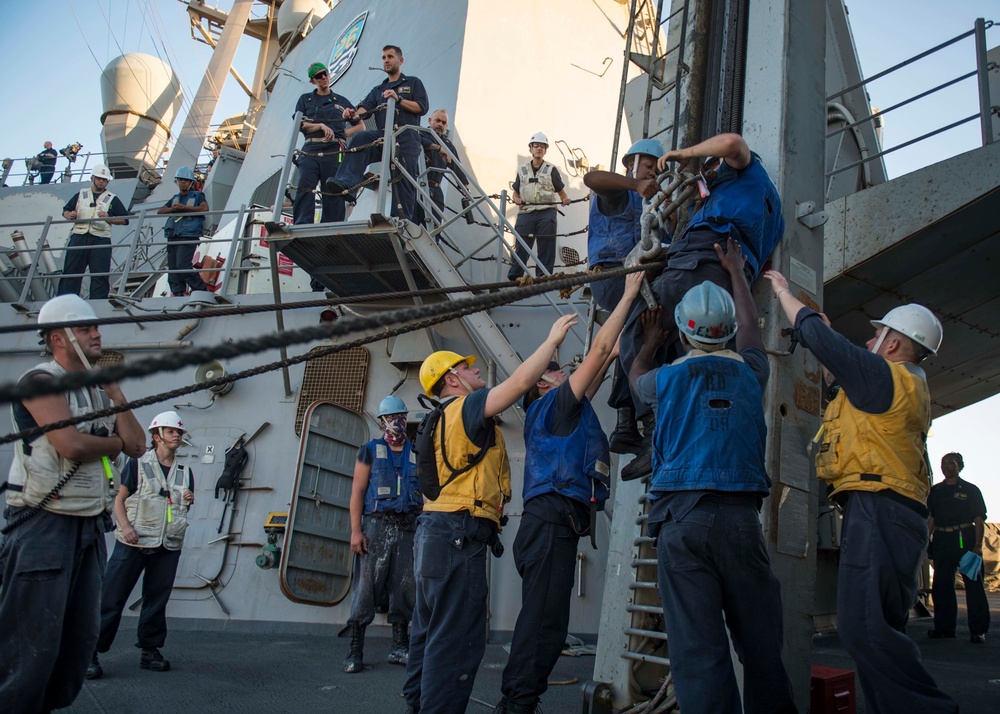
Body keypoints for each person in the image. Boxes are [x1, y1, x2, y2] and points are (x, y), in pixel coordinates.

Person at [764, 270, 957, 713]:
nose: (869, 344)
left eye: (876, 338)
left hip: (880, 512)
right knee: (879, 629)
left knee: (864, 629)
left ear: (892, 343)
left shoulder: (886, 378)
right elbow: (841, 369)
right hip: (893, 515)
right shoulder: (897, 385)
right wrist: (828, 341)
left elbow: (815, 335)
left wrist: (782, 293)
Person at [629, 240, 795, 714]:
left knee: (699, 657)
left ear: (682, 330)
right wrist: (737, 272)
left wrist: (651, 342)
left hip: (681, 523)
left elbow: (635, 373)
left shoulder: (665, 379)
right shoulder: (752, 371)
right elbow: (749, 329)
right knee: (763, 650)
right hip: (741, 523)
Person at [403, 314, 578, 714]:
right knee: (456, 643)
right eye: (466, 366)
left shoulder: (434, 421)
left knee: (427, 635)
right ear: (451, 379)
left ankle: (416, 706)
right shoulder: (465, 408)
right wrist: (551, 341)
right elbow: (518, 385)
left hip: (433, 534)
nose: (475, 368)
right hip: (457, 537)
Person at [496, 272, 644, 714]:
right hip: (549, 527)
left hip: (554, 527)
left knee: (549, 623)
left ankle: (522, 698)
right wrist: (631, 291)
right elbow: (595, 354)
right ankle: (517, 703)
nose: (568, 373)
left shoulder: (562, 409)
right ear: (543, 383)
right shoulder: (552, 406)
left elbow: (600, 363)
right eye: (559, 371)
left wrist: (620, 342)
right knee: (542, 623)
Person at [0, 294, 145, 714]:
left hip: (87, 526)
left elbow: (137, 446)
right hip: (43, 524)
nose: (96, 334)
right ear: (60, 338)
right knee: (31, 640)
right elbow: (72, 444)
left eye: (95, 327)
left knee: (78, 639)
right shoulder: (40, 381)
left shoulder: (97, 391)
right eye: (85, 328)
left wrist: (116, 393)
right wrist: (114, 443)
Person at [619, 132, 784, 480]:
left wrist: (684, 153)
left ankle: (651, 429)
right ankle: (667, 433)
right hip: (724, 274)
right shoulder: (771, 211)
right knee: (684, 357)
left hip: (698, 263)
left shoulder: (747, 174)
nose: (704, 178)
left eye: (709, 170)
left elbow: (733, 144)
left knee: (636, 330)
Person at [87, 411, 195, 679]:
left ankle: (150, 650)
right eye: (171, 431)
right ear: (156, 436)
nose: (177, 436)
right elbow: (119, 500)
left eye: (179, 432)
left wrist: (188, 500)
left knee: (157, 601)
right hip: (132, 542)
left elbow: (177, 509)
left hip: (167, 545)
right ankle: (88, 653)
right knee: (111, 598)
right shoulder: (137, 464)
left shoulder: (185, 472)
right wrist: (125, 528)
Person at [582, 139, 669, 456]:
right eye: (648, 166)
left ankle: (626, 425)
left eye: (658, 171)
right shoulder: (622, 193)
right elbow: (591, 179)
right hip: (615, 274)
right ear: (631, 163)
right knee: (646, 326)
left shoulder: (656, 204)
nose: (652, 176)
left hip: (636, 278)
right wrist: (636, 183)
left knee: (639, 331)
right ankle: (648, 423)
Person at [342, 395, 422, 674]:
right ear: (382, 422)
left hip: (409, 526)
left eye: (401, 415)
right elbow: (357, 492)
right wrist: (356, 531)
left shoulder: (417, 450)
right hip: (375, 525)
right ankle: (355, 650)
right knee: (366, 587)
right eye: (392, 417)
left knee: (406, 586)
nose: (398, 421)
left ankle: (400, 647)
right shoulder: (369, 450)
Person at [325, 45, 428, 221]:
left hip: (406, 138)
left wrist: (399, 99)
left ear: (400, 60)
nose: (386, 60)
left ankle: (402, 221)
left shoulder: (413, 83)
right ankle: (347, 184)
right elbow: (364, 109)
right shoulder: (378, 90)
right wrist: (352, 114)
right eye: (383, 57)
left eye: (390, 56)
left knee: (404, 182)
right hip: (383, 136)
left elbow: (422, 107)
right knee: (360, 138)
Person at [927, 452, 990, 643]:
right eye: (943, 463)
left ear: (959, 466)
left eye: (950, 463)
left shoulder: (971, 490)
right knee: (941, 585)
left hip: (965, 538)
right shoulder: (936, 491)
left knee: (974, 586)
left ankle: (978, 630)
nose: (945, 466)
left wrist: (977, 545)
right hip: (942, 540)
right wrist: (926, 540)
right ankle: (944, 628)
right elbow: (932, 518)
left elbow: (978, 519)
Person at [293, 62, 360, 225]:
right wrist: (320, 126)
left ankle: (331, 225)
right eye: (318, 76)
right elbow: (299, 123)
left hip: (334, 149)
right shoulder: (305, 100)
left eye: (325, 73)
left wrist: (341, 135)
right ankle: (302, 223)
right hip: (311, 147)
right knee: (305, 185)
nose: (323, 77)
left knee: (332, 189)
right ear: (312, 81)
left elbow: (360, 126)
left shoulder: (342, 101)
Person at [57, 164, 131, 300]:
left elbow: (125, 219)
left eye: (104, 179)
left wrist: (109, 218)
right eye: (99, 178)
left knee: (100, 275)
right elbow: (66, 210)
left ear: (108, 181)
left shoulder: (111, 198)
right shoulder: (81, 194)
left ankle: (98, 303)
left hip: (100, 239)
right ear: (92, 178)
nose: (101, 181)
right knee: (71, 272)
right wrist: (70, 215)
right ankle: (66, 301)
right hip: (79, 236)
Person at [507, 132, 570, 280]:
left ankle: (543, 276)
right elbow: (515, 193)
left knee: (546, 245)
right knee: (521, 244)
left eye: (542, 147)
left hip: (546, 211)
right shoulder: (522, 170)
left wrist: (565, 199)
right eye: (536, 146)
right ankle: (515, 277)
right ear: (531, 149)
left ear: (545, 150)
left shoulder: (551, 170)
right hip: (526, 211)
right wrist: (516, 199)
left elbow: (561, 192)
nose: (539, 149)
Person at [157, 166, 210, 296]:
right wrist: (173, 209)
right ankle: (178, 294)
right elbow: (160, 211)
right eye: (180, 180)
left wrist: (184, 208)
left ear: (191, 182)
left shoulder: (198, 195)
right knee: (173, 269)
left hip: (188, 235)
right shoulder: (175, 198)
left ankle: (201, 290)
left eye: (186, 180)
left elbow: (204, 208)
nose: (183, 182)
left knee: (183, 266)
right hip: (173, 236)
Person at [418, 109, 470, 225]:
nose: (440, 124)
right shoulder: (420, 133)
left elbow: (457, 167)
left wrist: (465, 186)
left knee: (435, 227)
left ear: (446, 126)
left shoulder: (448, 145)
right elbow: (419, 141)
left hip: (435, 191)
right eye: (437, 121)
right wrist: (438, 148)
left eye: (443, 123)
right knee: (413, 225)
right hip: (417, 187)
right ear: (430, 121)